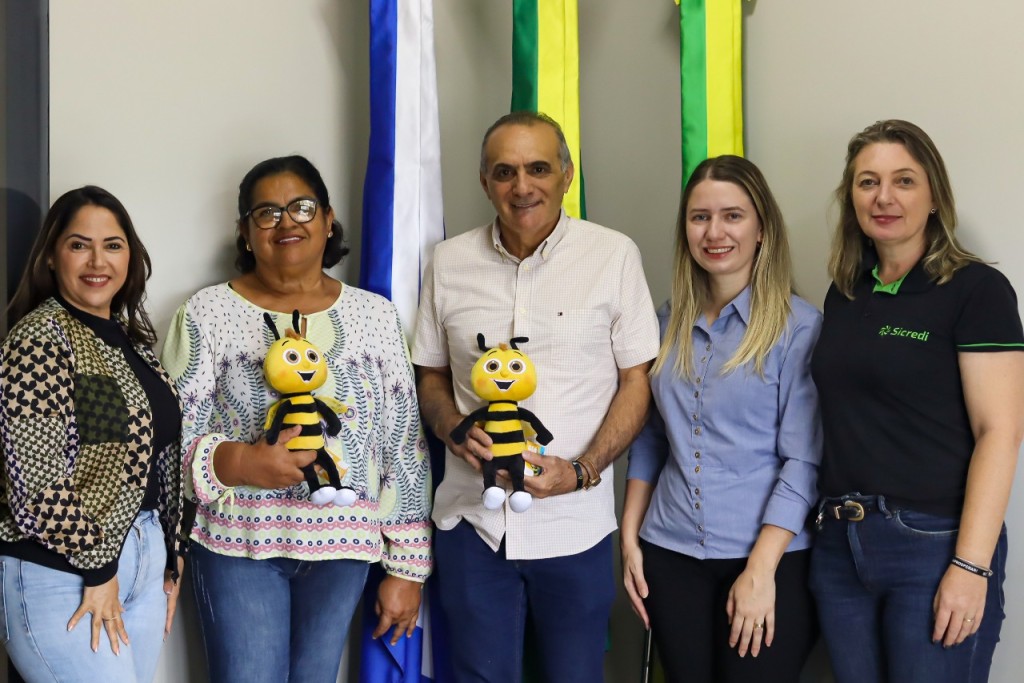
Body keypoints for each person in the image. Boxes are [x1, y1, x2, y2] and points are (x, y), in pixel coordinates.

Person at [161, 155, 431, 683]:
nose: (286, 221)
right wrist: (241, 462)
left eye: (302, 208)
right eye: (266, 212)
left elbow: (402, 445)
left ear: (328, 220)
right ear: (245, 233)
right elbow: (169, 440)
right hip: (238, 544)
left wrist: (407, 567)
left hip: (345, 550)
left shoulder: (376, 316)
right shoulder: (207, 313)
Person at [413, 111, 660, 682]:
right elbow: (430, 376)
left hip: (574, 526)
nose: (522, 186)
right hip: (473, 525)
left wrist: (583, 470)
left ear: (567, 175)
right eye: (504, 172)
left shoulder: (614, 256)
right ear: (485, 182)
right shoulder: (447, 263)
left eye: (538, 169)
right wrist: (452, 428)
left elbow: (636, 380)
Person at [809, 120, 1024, 682]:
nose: (884, 197)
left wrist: (970, 565)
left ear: (934, 197)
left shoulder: (977, 290)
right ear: (851, 197)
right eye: (868, 182)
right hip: (839, 545)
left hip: (932, 545)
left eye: (904, 180)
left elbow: (1000, 431)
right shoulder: (846, 292)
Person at [621, 156, 821, 682]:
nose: (714, 232)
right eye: (700, 217)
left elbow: (803, 462)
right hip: (668, 554)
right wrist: (630, 537)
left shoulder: (799, 328)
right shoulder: (664, 322)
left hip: (769, 558)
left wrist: (760, 569)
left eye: (733, 216)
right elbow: (652, 437)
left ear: (762, 229)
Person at [0, 186, 187, 683]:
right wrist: (99, 567)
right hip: (62, 569)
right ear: (51, 256)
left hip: (141, 562)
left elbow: (155, 459)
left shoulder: (130, 343)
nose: (97, 261)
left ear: (130, 256)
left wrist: (171, 555)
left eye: (113, 245)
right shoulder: (40, 339)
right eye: (79, 245)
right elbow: (36, 483)